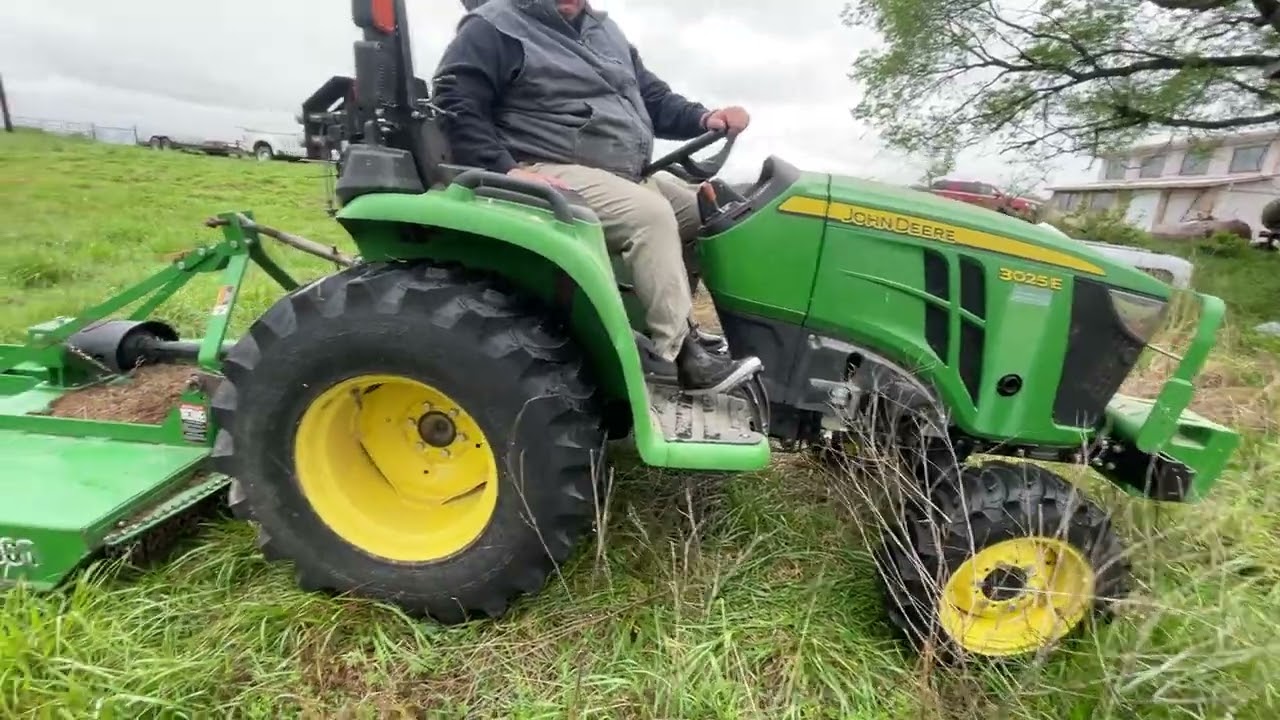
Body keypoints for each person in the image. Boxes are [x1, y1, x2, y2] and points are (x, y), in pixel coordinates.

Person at [432, 0, 758, 394]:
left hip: (620, 172)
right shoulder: (496, 26)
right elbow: (456, 100)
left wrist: (705, 118)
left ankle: (686, 325)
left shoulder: (605, 32)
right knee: (651, 216)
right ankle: (681, 357)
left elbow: (652, 98)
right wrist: (505, 169)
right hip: (540, 166)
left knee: (706, 213)